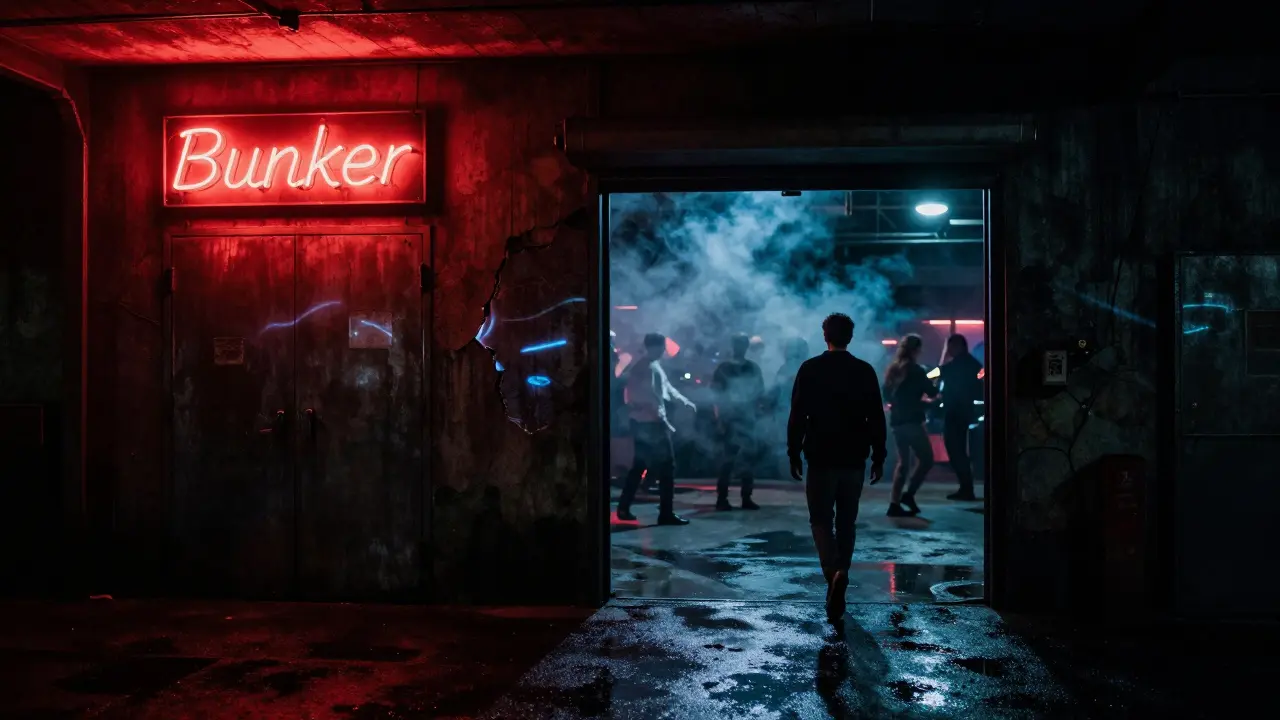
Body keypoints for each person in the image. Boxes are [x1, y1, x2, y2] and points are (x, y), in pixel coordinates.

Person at [787, 313, 887, 621]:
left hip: (819, 456)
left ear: (825, 335)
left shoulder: (810, 369)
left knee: (820, 520)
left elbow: (797, 414)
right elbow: (876, 416)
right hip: (854, 457)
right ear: (850, 337)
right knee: (846, 522)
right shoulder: (864, 371)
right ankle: (842, 568)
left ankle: (832, 573)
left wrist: (793, 452)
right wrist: (879, 455)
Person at [617, 332, 697, 525]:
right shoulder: (647, 368)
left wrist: (684, 401)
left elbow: (666, 388)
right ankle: (665, 513)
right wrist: (664, 421)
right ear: (655, 347)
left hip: (645, 423)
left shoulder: (651, 365)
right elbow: (649, 399)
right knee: (667, 466)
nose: (664, 350)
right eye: (662, 346)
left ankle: (625, 507)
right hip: (651, 424)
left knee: (640, 465)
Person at [882, 334, 937, 517]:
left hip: (897, 422)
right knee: (926, 459)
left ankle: (894, 503)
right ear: (916, 350)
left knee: (903, 463)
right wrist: (935, 378)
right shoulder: (917, 370)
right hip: (912, 422)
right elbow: (932, 392)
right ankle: (909, 494)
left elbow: (886, 395)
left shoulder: (893, 369)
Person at [712, 333, 766, 511]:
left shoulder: (752, 368)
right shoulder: (724, 368)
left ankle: (746, 497)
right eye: (738, 344)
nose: (740, 347)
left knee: (748, 458)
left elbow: (759, 394)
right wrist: (719, 418)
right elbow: (717, 395)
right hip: (730, 419)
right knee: (728, 460)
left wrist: (757, 414)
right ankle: (722, 498)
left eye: (742, 344)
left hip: (747, 418)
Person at [938, 334, 983, 501]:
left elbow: (941, 373)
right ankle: (966, 487)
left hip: (956, 412)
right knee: (958, 450)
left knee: (956, 450)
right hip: (963, 411)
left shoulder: (958, 365)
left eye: (950, 347)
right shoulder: (973, 364)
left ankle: (966, 488)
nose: (948, 351)